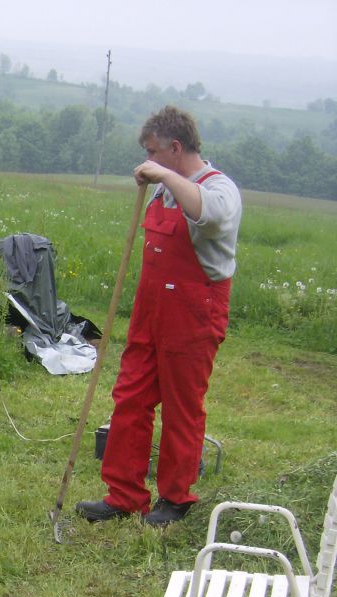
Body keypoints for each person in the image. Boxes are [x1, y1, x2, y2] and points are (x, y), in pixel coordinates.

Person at [76, 106, 242, 526]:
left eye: (153, 152)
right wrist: (162, 178)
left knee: (182, 406)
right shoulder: (161, 189)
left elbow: (209, 214)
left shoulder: (218, 188)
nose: (148, 159)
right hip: (150, 313)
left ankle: (176, 498)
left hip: (193, 315)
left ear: (176, 147)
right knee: (130, 396)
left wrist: (165, 175)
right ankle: (124, 494)